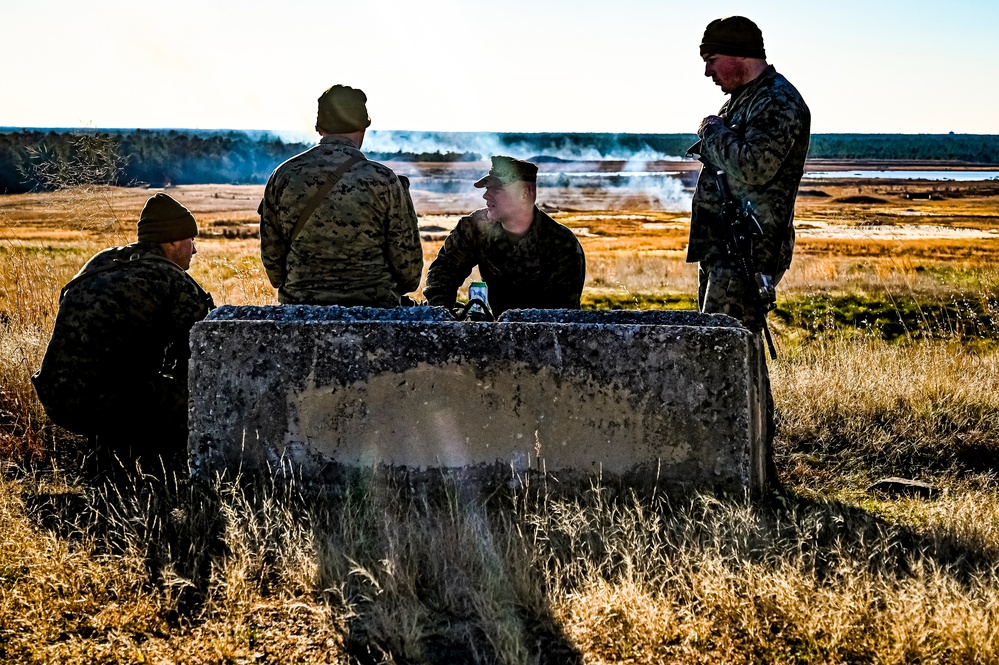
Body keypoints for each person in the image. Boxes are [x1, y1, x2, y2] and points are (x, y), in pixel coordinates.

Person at [32, 193, 214, 477]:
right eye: (191, 240)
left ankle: (109, 450)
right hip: (106, 401)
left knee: (126, 380)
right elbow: (201, 358)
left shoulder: (103, 261)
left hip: (57, 396)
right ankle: (150, 466)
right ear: (173, 241)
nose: (194, 250)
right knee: (204, 400)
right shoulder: (174, 281)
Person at [688, 15, 810, 332]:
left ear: (738, 53)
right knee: (728, 353)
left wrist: (712, 132)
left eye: (712, 60)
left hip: (747, 252)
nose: (707, 71)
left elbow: (755, 167)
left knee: (720, 355)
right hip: (725, 249)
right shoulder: (744, 101)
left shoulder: (775, 100)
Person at [259, 84, 423, 307]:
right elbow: (409, 274)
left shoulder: (283, 176)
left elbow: (274, 269)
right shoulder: (384, 180)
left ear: (319, 128)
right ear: (363, 127)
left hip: (300, 306)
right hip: (375, 309)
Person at [423, 155, 585, 317]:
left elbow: (561, 315)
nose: (486, 196)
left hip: (541, 335)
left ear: (525, 193)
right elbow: (444, 270)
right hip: (495, 332)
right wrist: (442, 314)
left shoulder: (562, 244)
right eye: (487, 188)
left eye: (496, 189)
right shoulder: (476, 226)